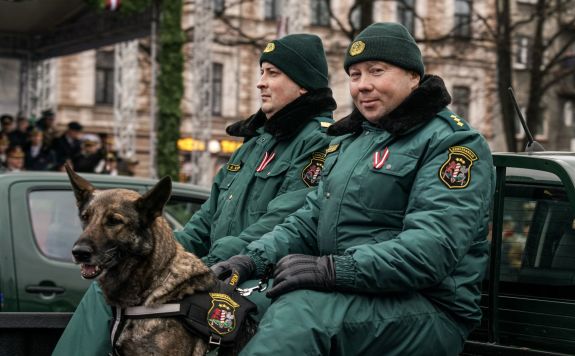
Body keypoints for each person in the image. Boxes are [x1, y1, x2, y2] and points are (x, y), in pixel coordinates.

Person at [213, 23, 495, 355]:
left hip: (428, 307)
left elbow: (431, 249)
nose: (363, 85)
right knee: (230, 304)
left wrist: (333, 269)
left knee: (302, 315)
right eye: (355, 75)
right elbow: (308, 220)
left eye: (376, 71)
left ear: (413, 77)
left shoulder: (452, 142)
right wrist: (250, 260)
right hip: (352, 290)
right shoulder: (353, 141)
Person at [53, 33, 337, 355]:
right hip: (214, 266)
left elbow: (282, 222)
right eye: (261, 72)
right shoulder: (253, 144)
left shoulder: (319, 143)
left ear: (304, 84)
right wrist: (171, 251)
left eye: (273, 73)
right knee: (109, 284)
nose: (261, 82)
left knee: (208, 314)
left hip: (258, 273)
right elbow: (206, 217)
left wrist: (211, 261)